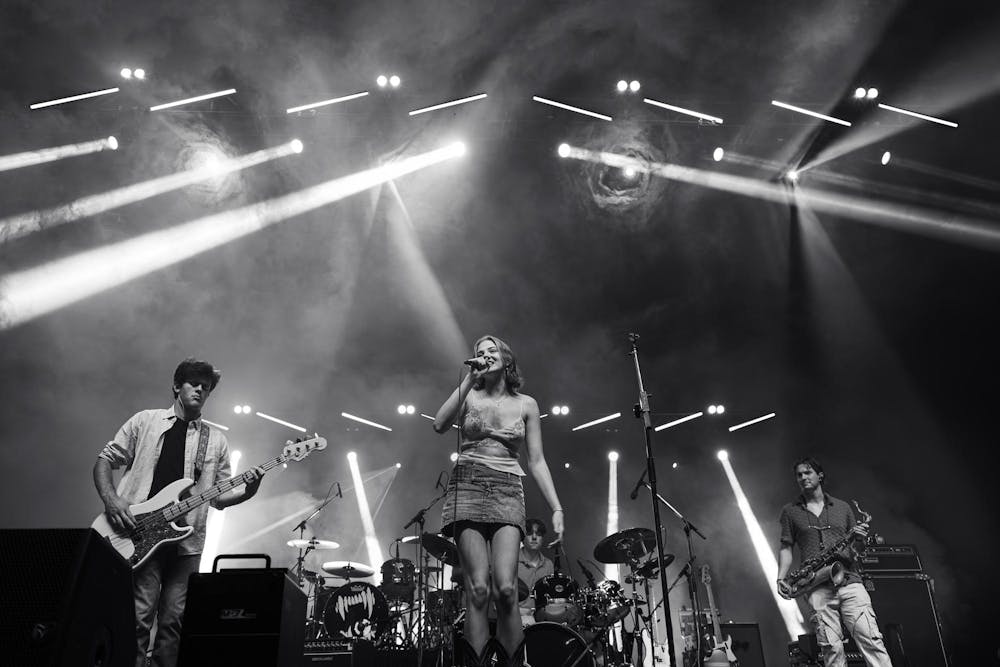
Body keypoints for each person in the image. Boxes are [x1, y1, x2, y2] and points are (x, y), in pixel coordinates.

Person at [93, 358, 264, 667]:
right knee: (139, 616)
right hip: (141, 533)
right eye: (193, 383)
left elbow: (219, 498)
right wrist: (112, 500)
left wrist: (249, 490)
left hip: (187, 544)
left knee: (173, 623)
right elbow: (106, 459)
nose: (200, 389)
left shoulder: (216, 440)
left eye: (206, 387)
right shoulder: (145, 421)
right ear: (176, 386)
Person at [433, 335, 564, 667]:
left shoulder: (527, 404)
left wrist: (556, 507)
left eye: (492, 351)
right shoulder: (469, 395)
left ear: (507, 359)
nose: (485, 355)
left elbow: (536, 461)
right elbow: (439, 424)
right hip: (468, 484)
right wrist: (468, 379)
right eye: (479, 352)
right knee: (477, 589)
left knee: (506, 590)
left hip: (508, 488)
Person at [777, 457, 893, 667]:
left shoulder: (843, 507)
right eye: (799, 475)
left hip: (850, 581)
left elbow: (858, 550)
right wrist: (780, 578)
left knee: (872, 641)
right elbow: (786, 547)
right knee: (831, 649)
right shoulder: (790, 511)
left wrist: (859, 540)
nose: (803, 477)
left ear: (820, 475)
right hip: (817, 586)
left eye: (808, 472)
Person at [517, 518, 555, 627]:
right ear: (522, 537)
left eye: (538, 534)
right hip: (516, 617)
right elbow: (498, 603)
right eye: (529, 533)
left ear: (542, 538)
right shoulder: (512, 561)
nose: (534, 537)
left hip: (542, 618)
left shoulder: (548, 564)